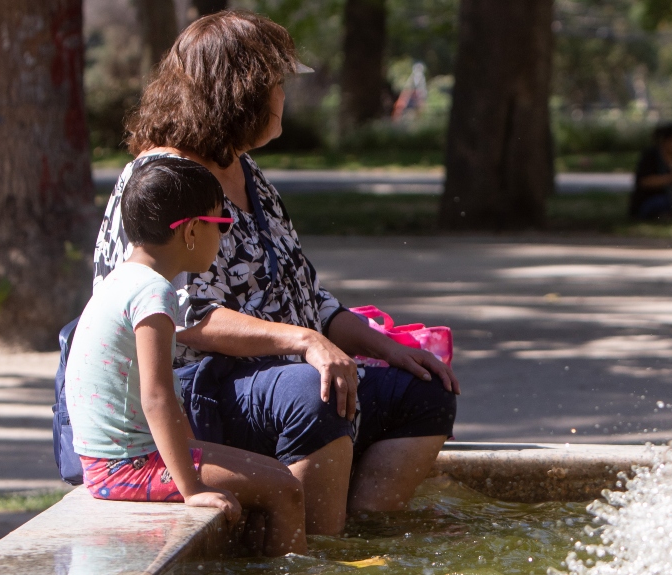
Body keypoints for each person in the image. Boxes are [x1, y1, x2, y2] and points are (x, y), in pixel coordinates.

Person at [92, 11, 459, 537]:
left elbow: (307, 296)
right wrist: (304, 341)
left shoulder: (247, 173)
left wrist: (383, 347)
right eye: (276, 83)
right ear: (238, 93)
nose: (283, 94)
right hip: (195, 389)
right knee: (315, 393)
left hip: (279, 374)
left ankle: (367, 529)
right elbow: (179, 316)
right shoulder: (161, 180)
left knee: (425, 392)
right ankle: (314, 551)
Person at [67, 157, 306, 556]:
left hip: (117, 460)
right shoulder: (152, 294)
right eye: (221, 225)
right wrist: (191, 488)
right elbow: (156, 396)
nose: (222, 237)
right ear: (193, 230)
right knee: (285, 489)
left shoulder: (121, 281)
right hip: (125, 467)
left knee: (275, 477)